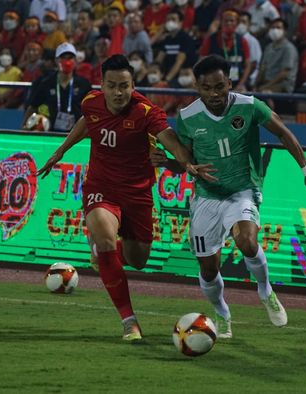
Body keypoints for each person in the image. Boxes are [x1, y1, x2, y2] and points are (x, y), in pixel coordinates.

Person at [36, 54, 215, 341]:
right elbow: (86, 122)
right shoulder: (90, 103)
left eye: (125, 86)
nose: (118, 93)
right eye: (112, 86)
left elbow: (171, 140)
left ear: (133, 85)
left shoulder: (146, 112)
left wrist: (186, 161)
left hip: (138, 193)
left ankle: (103, 256)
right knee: (105, 236)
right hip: (101, 186)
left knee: (138, 259)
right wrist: (61, 150)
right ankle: (129, 321)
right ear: (102, 86)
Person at [158, 55, 306, 338]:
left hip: (243, 189)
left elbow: (283, 132)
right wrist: (168, 163)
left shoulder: (249, 106)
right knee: (209, 269)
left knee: (246, 241)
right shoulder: (186, 117)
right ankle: (221, 312)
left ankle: (266, 290)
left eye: (220, 86)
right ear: (197, 87)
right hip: (206, 197)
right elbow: (185, 162)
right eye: (207, 88)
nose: (215, 94)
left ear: (229, 83)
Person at [23, 42, 92, 132]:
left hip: (77, 134)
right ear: (56, 60)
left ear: (75, 60)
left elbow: (91, 109)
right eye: (63, 58)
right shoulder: (46, 83)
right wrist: (24, 126)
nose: (67, 62)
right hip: (52, 133)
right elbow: (33, 107)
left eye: (70, 58)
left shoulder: (83, 84)